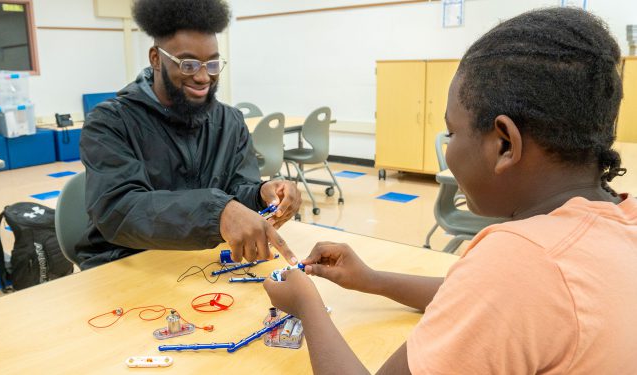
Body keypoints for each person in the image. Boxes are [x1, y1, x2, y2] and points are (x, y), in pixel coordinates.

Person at [264, 7, 637, 374]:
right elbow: (473, 296)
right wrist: (372, 280)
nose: (449, 147)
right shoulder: (623, 220)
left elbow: (499, 289)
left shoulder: (519, 263)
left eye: (452, 132)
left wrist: (307, 305)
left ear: (505, 144)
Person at [76, 0, 300, 270]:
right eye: (189, 64)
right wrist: (217, 213)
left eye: (213, 64)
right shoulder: (110, 122)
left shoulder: (229, 121)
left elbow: (237, 191)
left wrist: (262, 194)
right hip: (126, 262)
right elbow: (119, 210)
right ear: (156, 59)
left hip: (201, 263)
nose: (204, 77)